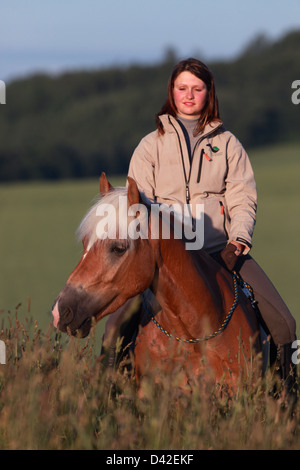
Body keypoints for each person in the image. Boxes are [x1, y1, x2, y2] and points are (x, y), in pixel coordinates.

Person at [102, 58, 297, 402]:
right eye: (182, 88)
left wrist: (239, 237)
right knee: (114, 326)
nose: (189, 95)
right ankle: (107, 400)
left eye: (197, 88)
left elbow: (243, 196)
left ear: (209, 93)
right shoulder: (150, 146)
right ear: (172, 92)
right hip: (163, 261)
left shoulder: (229, 143)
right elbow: (138, 206)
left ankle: (286, 401)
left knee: (284, 323)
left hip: (220, 251)